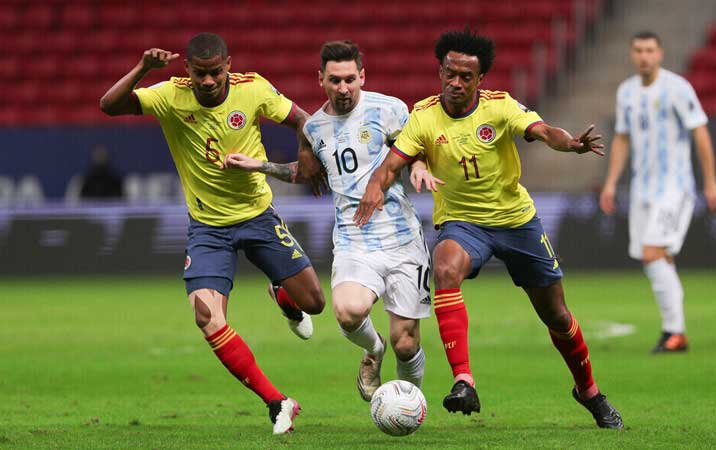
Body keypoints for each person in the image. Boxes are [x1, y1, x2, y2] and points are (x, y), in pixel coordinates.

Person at [354, 28, 623, 429]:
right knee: (445, 267)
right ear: (440, 72)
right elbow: (392, 164)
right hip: (463, 224)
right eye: (449, 74)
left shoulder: (500, 106)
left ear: (480, 79)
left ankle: (588, 390)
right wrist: (375, 187)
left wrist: (568, 143)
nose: (456, 83)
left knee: (557, 315)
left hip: (516, 221)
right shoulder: (423, 115)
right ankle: (464, 380)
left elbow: (543, 131)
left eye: (466, 77)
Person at [99, 32, 326, 434]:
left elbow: (302, 119)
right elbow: (110, 105)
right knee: (206, 316)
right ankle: (277, 402)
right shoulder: (170, 94)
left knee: (315, 303)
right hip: (208, 228)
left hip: (258, 216)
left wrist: (305, 153)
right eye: (200, 73)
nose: (207, 81)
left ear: (228, 66)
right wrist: (143, 68)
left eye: (215, 72)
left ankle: (283, 295)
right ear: (187, 69)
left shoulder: (252, 88)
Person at [223, 40, 439, 400]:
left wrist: (418, 167)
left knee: (406, 343)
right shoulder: (314, 129)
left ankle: (408, 405)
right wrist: (260, 165)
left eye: (350, 79)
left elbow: (414, 149)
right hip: (355, 239)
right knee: (348, 312)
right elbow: (307, 174)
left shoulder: (389, 109)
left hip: (402, 238)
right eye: (335, 80)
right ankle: (373, 349)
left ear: (362, 77)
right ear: (320, 79)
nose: (343, 88)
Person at [600, 31, 716, 353]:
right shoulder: (626, 92)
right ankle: (676, 332)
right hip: (642, 189)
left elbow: (700, 133)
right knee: (660, 258)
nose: (644, 56)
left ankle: (674, 332)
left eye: (649, 50)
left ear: (660, 54)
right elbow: (622, 138)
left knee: (652, 252)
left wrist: (710, 181)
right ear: (632, 54)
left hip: (674, 187)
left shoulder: (677, 88)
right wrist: (611, 182)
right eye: (638, 50)